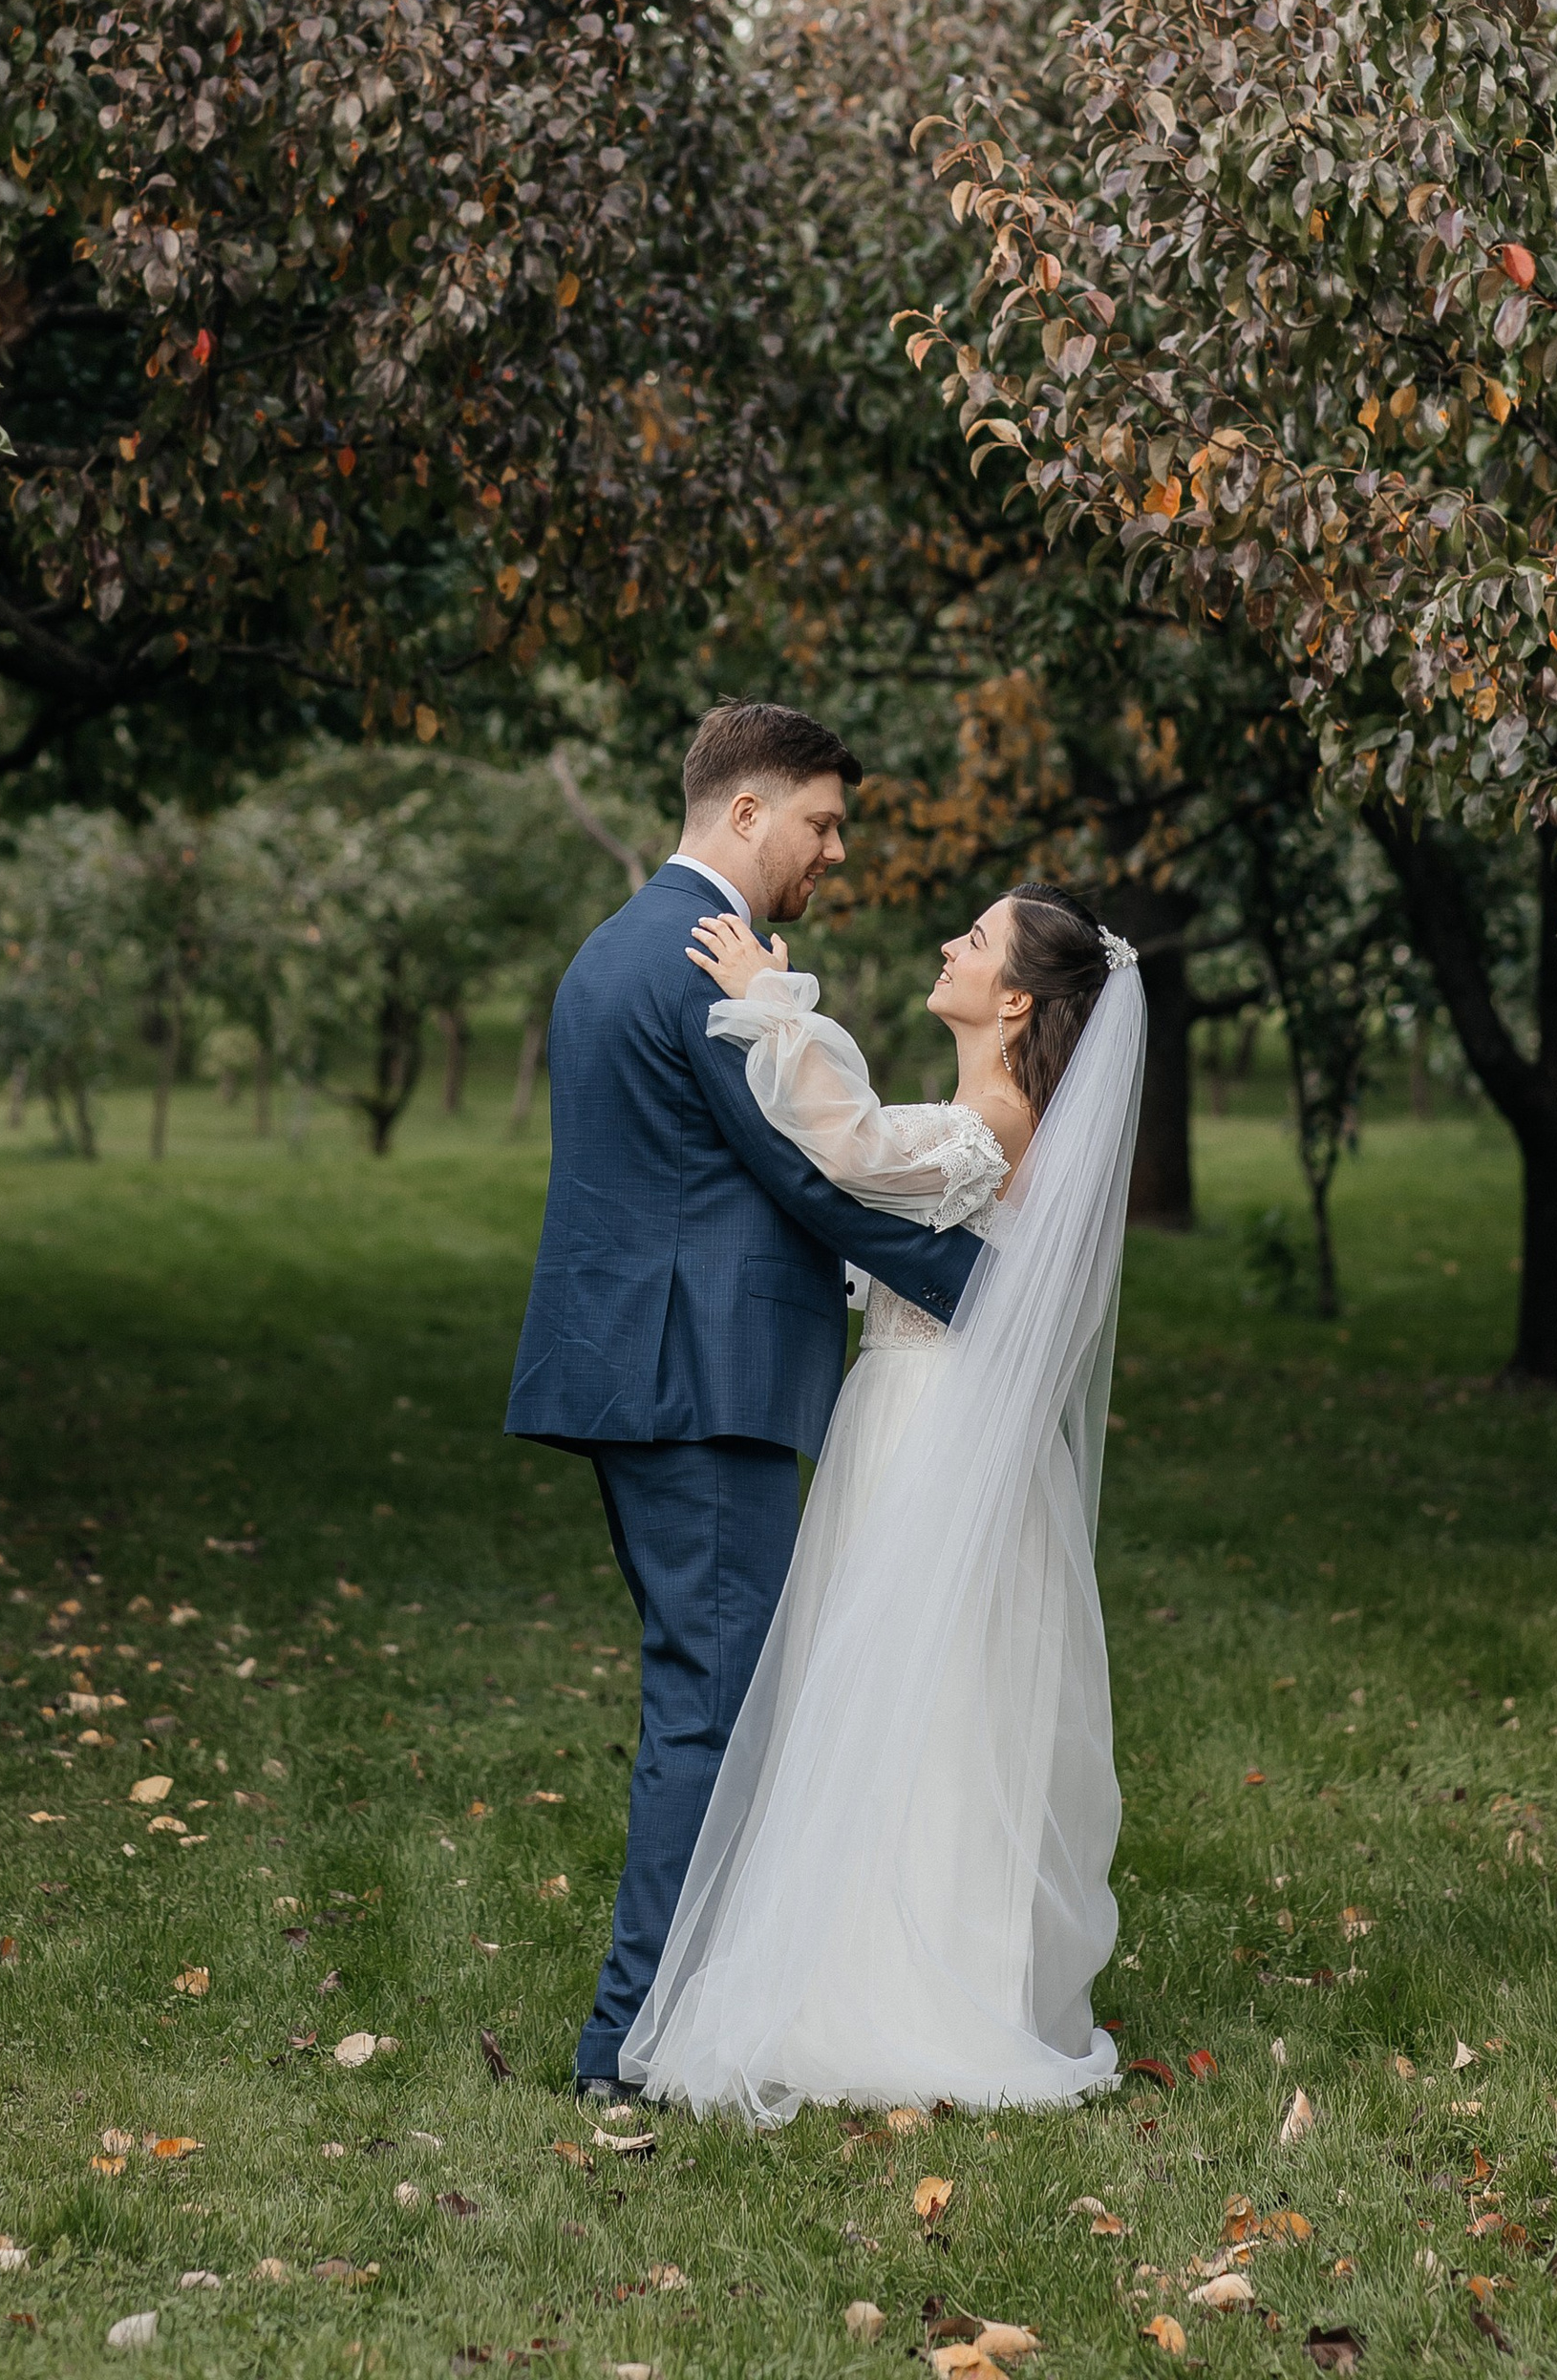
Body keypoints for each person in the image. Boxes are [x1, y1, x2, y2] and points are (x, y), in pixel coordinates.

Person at [504, 701, 980, 2103]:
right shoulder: (699, 962)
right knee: (711, 1710)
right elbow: (805, 1176)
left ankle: (685, 2015)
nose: (836, 854)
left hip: (643, 1367)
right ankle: (628, 2048)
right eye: (824, 823)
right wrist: (993, 1293)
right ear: (748, 813)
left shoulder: (623, 945)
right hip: (696, 1384)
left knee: (703, 1696)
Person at [619, 877, 1145, 2122]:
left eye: (972, 940)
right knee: (913, 1691)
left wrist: (771, 1003)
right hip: (921, 1413)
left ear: (1013, 999)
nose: (946, 946)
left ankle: (902, 1984)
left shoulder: (998, 1115)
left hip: (931, 1424)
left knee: (915, 1691)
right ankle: (907, 1952)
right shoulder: (994, 1104)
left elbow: (850, 1148)